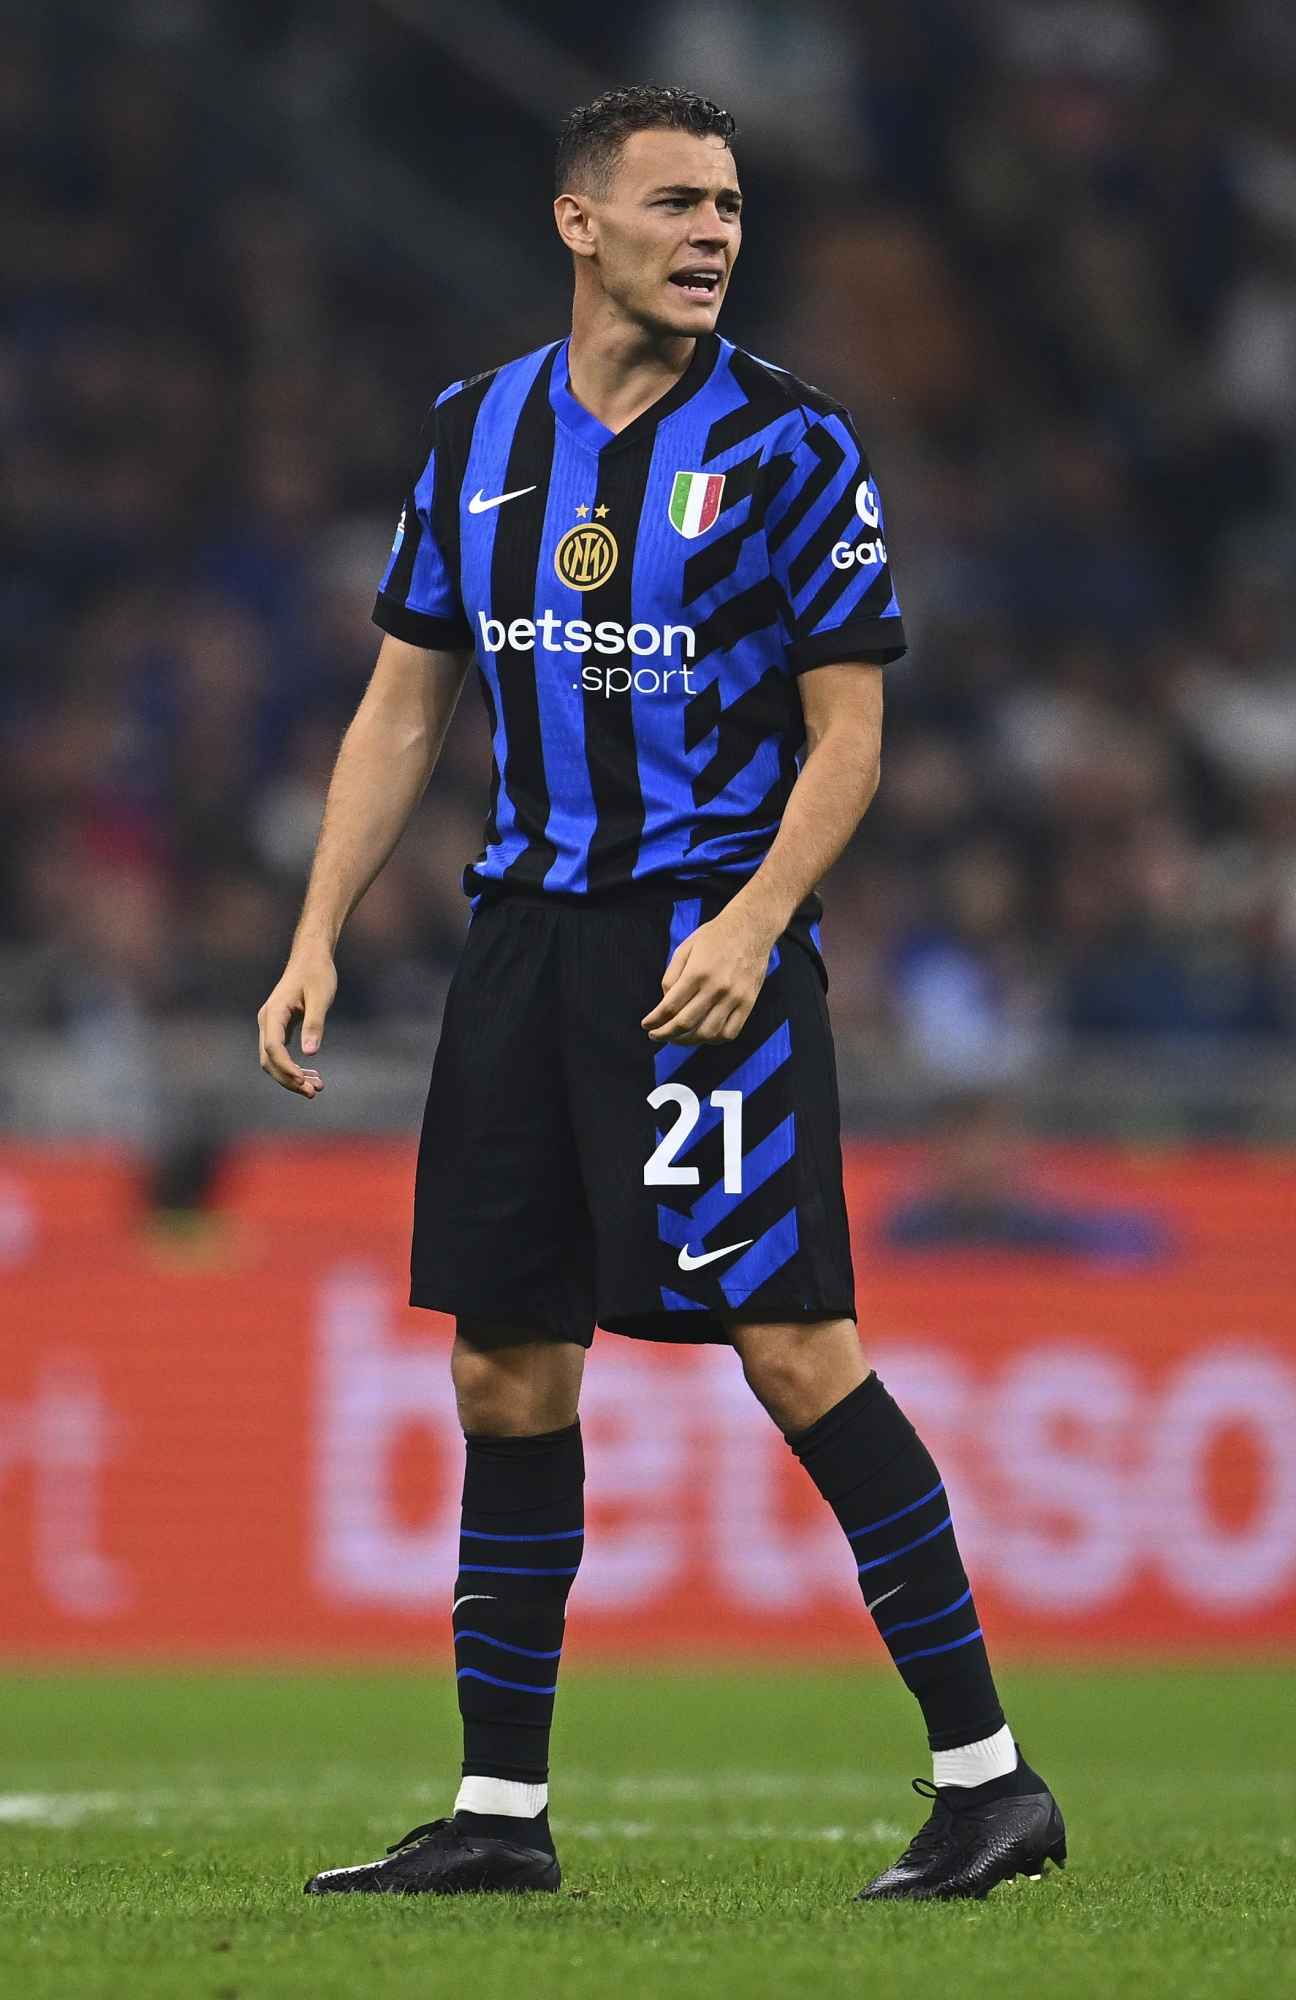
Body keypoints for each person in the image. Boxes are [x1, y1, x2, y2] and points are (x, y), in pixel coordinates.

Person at [258, 86, 1063, 1905]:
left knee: (790, 1345)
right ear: (577, 224)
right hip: (522, 939)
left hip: (704, 947)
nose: (712, 233)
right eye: (676, 201)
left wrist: (759, 918)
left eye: (729, 208)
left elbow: (847, 730)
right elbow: (403, 706)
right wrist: (316, 930)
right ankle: (496, 1816)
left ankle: (990, 1778)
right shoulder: (474, 433)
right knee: (503, 1360)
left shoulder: (788, 444)